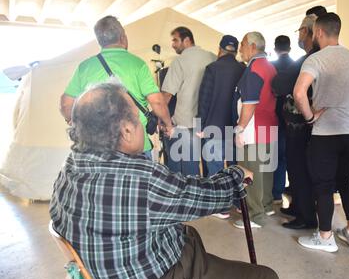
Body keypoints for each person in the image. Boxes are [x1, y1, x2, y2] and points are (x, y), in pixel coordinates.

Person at [50, 82, 282, 279]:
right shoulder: (140, 179)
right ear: (127, 131)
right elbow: (203, 197)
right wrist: (235, 176)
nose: (144, 125)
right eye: (139, 120)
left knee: (189, 236)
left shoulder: (69, 166)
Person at [294, 13, 349, 253]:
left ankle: (325, 237)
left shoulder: (316, 59)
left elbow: (299, 92)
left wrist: (310, 116)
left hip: (325, 133)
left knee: (323, 185)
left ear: (319, 32)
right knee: (345, 181)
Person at [60, 16, 173, 160]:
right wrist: (168, 125)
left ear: (100, 41)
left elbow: (66, 104)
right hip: (135, 146)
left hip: (96, 147)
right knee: (141, 182)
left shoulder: (85, 67)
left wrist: (72, 119)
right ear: (122, 37)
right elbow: (157, 101)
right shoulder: (137, 65)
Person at [272, 14, 319, 231]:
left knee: (301, 170)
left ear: (309, 32)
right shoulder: (305, 58)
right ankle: (299, 207)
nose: (299, 35)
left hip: (302, 126)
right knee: (295, 168)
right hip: (297, 126)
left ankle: (306, 216)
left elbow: (280, 84)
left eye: (300, 30)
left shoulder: (310, 59)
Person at [233, 32, 278, 229]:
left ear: (252, 46)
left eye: (242, 44)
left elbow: (249, 103)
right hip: (269, 126)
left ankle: (254, 215)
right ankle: (266, 205)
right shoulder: (269, 66)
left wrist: (240, 129)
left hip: (253, 128)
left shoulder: (254, 68)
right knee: (265, 171)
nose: (240, 49)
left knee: (249, 171)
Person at [197, 35, 245, 219]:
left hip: (214, 125)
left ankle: (221, 207)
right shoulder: (243, 69)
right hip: (235, 126)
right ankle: (238, 202)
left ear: (220, 49)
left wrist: (200, 125)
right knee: (234, 165)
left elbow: (205, 98)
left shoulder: (213, 69)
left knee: (216, 165)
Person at [161, 26, 216, 176]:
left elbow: (166, 95)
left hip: (186, 122)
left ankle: (187, 197)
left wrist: (161, 118)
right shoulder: (212, 57)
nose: (172, 44)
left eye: (175, 40)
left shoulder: (179, 61)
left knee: (185, 166)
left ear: (187, 40)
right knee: (207, 164)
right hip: (209, 122)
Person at [271, 35, 294, 205]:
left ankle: (277, 193)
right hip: (294, 117)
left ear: (275, 49)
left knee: (277, 157)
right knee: (293, 157)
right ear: (290, 47)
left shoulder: (272, 66)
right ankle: (294, 189)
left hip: (275, 116)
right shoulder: (298, 65)